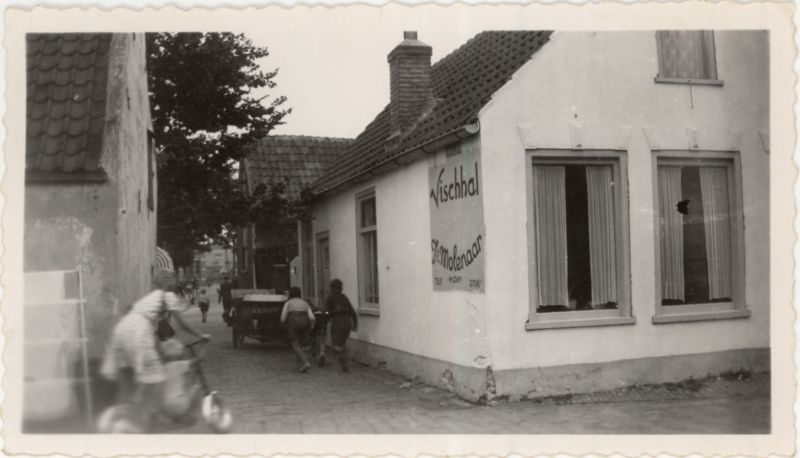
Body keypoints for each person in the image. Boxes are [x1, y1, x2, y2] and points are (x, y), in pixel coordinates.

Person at [99, 269, 211, 431]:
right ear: (169, 283)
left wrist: (158, 349)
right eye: (173, 280)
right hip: (138, 331)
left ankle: (120, 414)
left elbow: (154, 331)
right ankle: (145, 417)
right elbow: (182, 324)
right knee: (157, 378)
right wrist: (201, 335)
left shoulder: (150, 298)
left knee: (129, 377)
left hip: (123, 328)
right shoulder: (167, 296)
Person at [323, 279, 358, 373]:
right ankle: (343, 363)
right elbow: (352, 312)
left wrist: (326, 316)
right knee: (342, 343)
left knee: (336, 345)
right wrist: (355, 324)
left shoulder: (330, 298)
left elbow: (326, 312)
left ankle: (344, 363)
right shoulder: (344, 297)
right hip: (347, 322)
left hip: (337, 322)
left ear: (332, 288)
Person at [280, 287, 315, 373]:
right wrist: (312, 326)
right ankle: (300, 363)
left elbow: (283, 317)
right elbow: (312, 317)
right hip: (305, 322)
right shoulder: (305, 303)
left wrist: (283, 325)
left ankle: (305, 362)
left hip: (294, 321)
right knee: (301, 343)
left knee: (295, 343)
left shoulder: (288, 303)